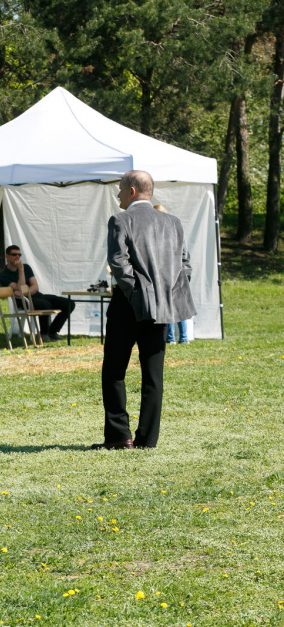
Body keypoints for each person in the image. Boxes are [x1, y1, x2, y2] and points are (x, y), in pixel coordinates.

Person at [94, 170, 195, 450]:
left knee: (114, 370)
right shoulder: (172, 222)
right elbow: (185, 265)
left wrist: (136, 293)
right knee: (153, 375)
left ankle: (118, 437)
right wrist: (167, 292)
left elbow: (118, 262)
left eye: (120, 190)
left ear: (132, 191)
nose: (117, 195)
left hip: (128, 305)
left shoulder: (120, 219)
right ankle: (148, 439)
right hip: (162, 306)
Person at [0, 245, 75, 341]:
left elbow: (35, 286)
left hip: (36, 295)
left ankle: (52, 331)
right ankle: (44, 334)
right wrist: (20, 270)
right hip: (22, 301)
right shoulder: (4, 275)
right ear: (7, 256)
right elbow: (21, 289)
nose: (17, 257)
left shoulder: (26, 267)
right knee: (45, 304)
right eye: (14, 254)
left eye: (19, 255)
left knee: (69, 303)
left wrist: (26, 291)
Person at [154, 204, 193, 346]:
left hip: (172, 274)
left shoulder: (168, 231)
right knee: (174, 307)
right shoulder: (172, 230)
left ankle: (176, 337)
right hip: (171, 274)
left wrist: (185, 271)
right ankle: (178, 337)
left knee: (174, 307)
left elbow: (183, 254)